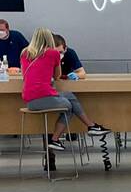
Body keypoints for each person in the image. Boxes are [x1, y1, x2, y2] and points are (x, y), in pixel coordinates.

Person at [20, 27, 110, 170]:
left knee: (67, 101)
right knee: (68, 103)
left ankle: (64, 137)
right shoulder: (53, 53)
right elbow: (56, 76)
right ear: (49, 40)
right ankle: (89, 126)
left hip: (29, 100)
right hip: (43, 97)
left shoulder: (25, 53)